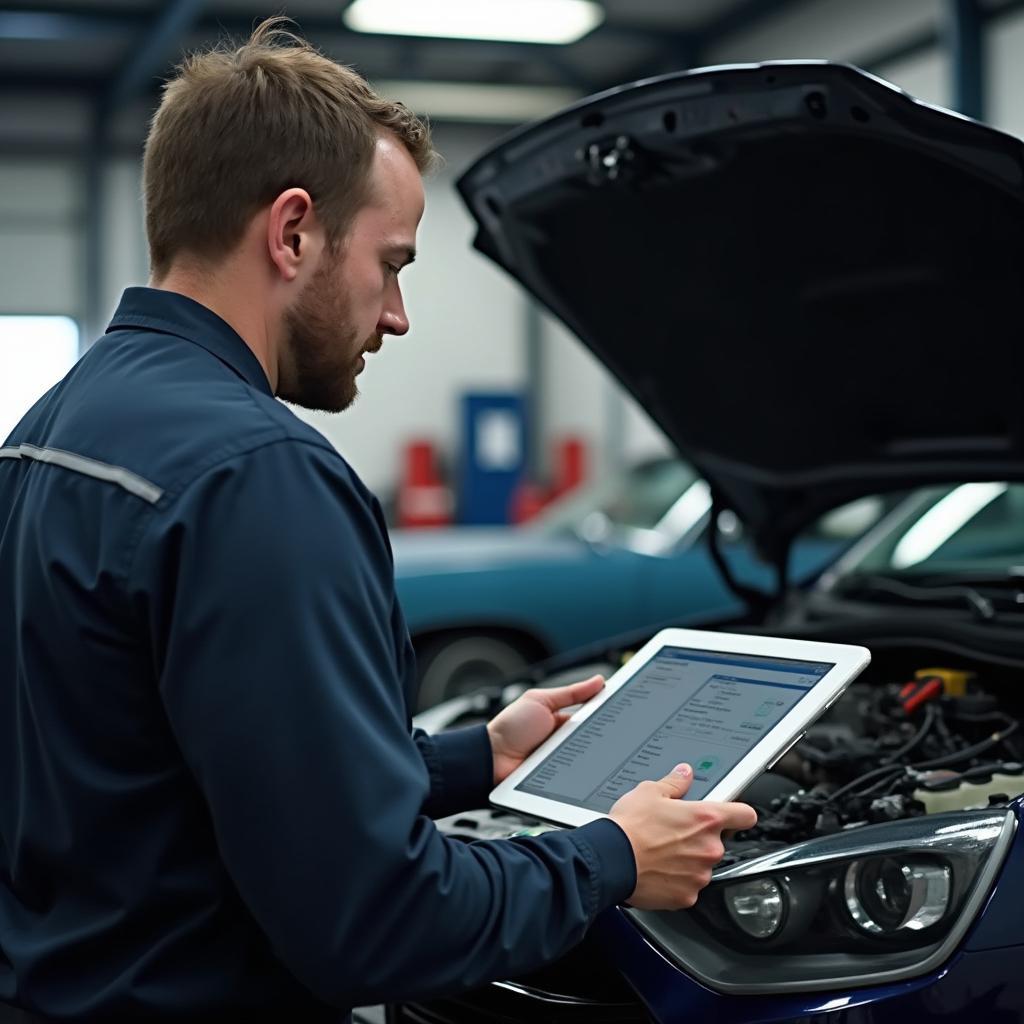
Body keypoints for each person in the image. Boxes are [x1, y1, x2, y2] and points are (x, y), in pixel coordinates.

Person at [0, 19, 756, 1023]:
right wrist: (613, 857)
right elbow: (378, 923)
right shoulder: (259, 476)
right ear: (293, 231)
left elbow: (169, 769)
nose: (395, 313)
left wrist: (474, 756)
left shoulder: (50, 425)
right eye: (390, 263)